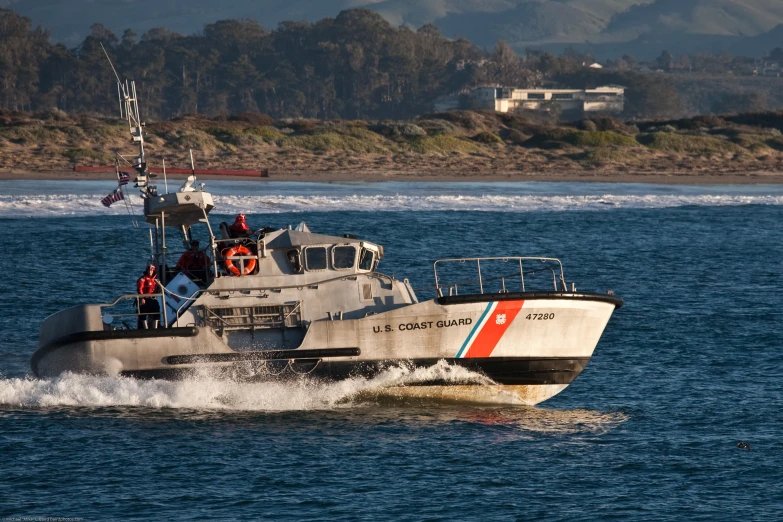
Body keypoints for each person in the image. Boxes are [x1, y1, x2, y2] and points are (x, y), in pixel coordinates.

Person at [136, 264, 160, 329]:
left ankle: (155, 327)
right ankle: (144, 328)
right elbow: (140, 289)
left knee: (156, 311)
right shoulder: (143, 279)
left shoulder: (155, 280)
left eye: (151, 270)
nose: (150, 271)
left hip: (152, 299)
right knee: (142, 313)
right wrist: (142, 297)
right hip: (144, 299)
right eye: (149, 270)